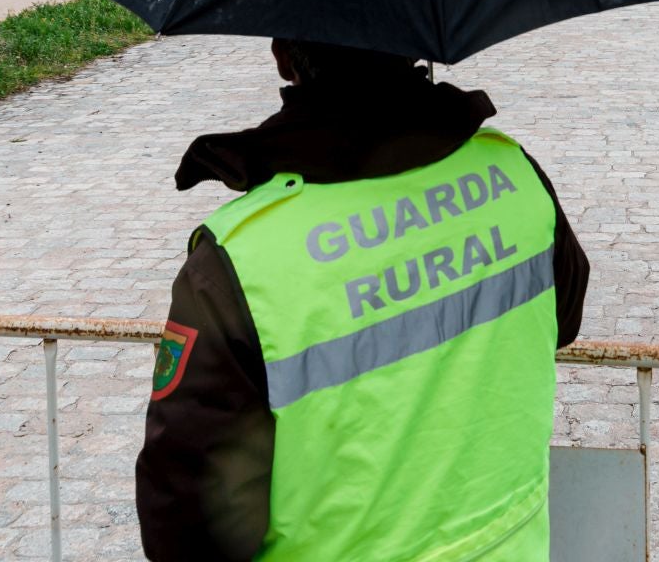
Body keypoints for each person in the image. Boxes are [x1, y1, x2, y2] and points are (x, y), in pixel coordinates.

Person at [136, 38, 590, 561]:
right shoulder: (513, 174)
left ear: (284, 57)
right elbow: (564, 318)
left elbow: (187, 527)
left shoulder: (239, 261)